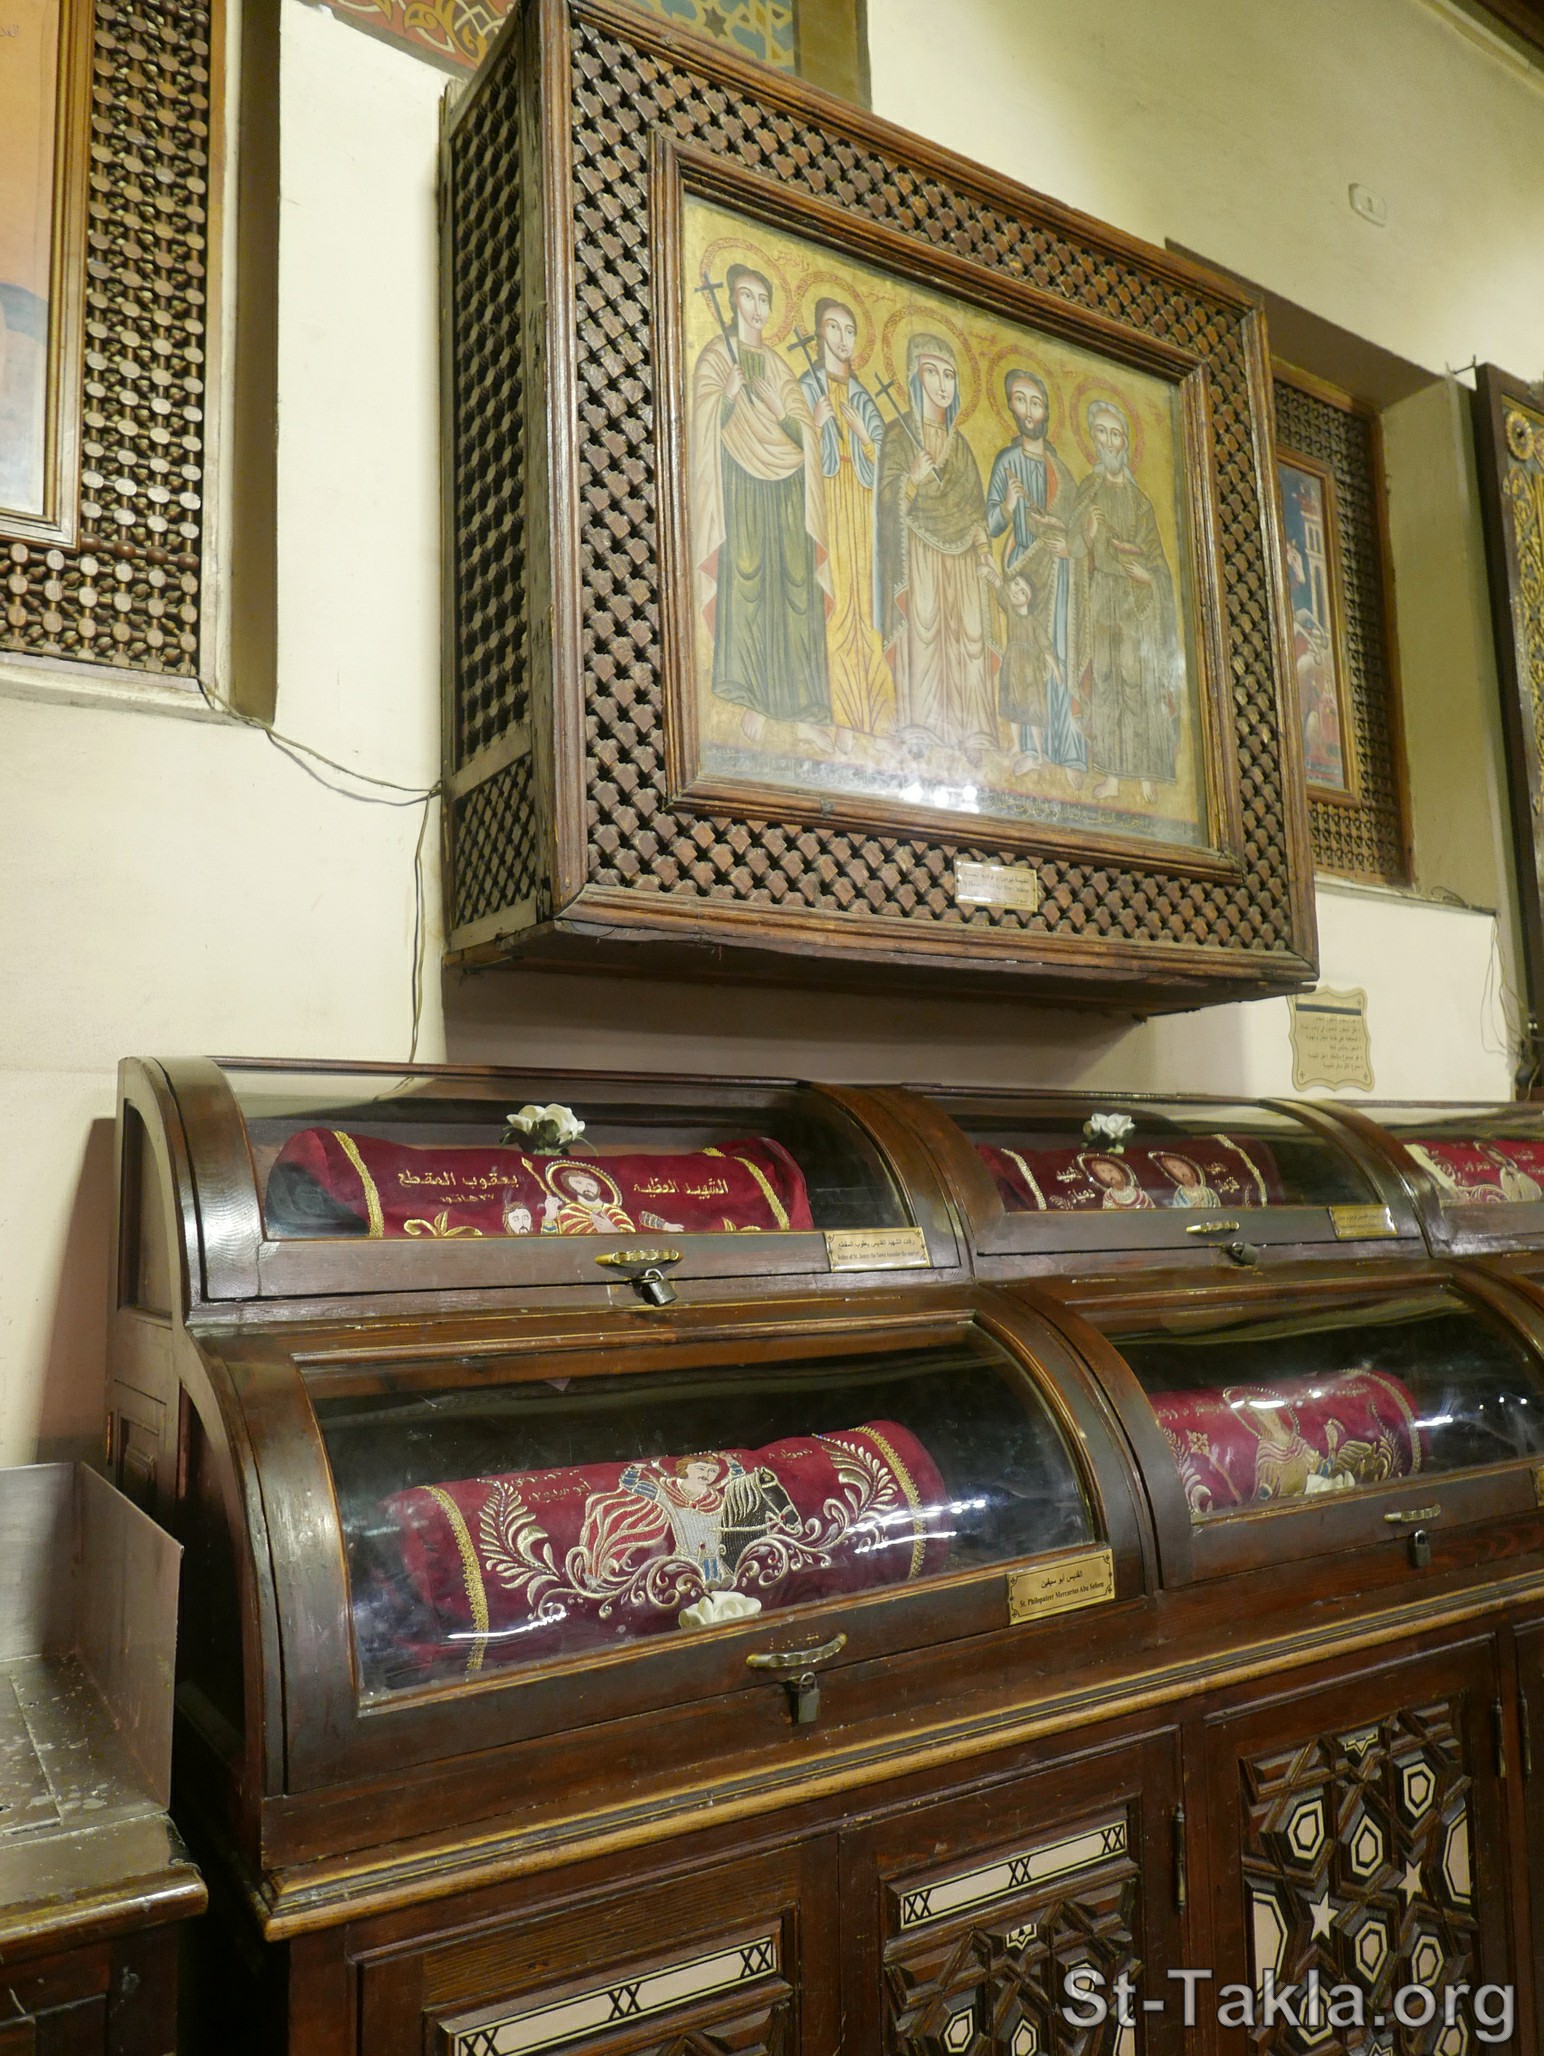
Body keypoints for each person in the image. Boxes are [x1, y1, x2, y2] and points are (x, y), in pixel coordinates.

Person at [690, 263, 831, 744]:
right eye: (747, 296)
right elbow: (703, 419)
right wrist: (728, 398)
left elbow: (803, 431)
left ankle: (804, 711)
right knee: (748, 581)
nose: (756, 307)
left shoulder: (778, 366)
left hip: (787, 491)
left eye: (763, 299)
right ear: (732, 300)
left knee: (795, 589)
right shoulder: (716, 357)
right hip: (741, 487)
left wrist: (781, 413)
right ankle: (753, 700)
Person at [873, 332, 999, 765]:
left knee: (969, 636)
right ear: (915, 378)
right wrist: (911, 478)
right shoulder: (898, 434)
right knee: (924, 630)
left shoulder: (961, 446)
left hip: (963, 558)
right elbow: (887, 499)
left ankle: (973, 732)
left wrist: (984, 551)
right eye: (932, 373)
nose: (942, 384)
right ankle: (920, 727)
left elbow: (976, 511)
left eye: (949, 375)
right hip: (918, 549)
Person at [1069, 400, 1181, 805]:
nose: (1108, 441)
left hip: (1136, 604)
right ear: (1092, 439)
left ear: (1126, 443)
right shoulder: (1089, 491)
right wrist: (1088, 530)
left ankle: (1147, 772)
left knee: (1139, 681)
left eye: (1115, 434)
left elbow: (1159, 565)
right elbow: (1072, 549)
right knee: (1106, 682)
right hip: (1102, 598)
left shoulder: (1140, 502)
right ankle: (1113, 775)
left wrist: (1148, 577)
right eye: (1100, 432)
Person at [798, 298, 893, 747]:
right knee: (832, 602)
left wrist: (861, 436)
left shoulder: (862, 398)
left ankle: (866, 717)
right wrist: (815, 427)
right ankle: (834, 714)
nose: (842, 338)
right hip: (825, 505)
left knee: (863, 608)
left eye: (849, 330)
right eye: (833, 327)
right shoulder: (807, 385)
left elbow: (884, 459)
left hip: (861, 508)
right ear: (820, 334)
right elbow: (789, 449)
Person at [985, 372, 1083, 779]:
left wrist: (1069, 547)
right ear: (1010, 406)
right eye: (1020, 400)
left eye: (1035, 402)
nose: (1028, 411)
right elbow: (990, 525)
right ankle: (1027, 749)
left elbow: (1078, 531)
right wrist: (1008, 506)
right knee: (1023, 661)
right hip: (1022, 569)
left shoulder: (1060, 469)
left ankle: (1062, 748)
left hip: (1057, 575)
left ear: (1046, 411)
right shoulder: (1006, 462)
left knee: (1055, 654)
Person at [540, 1161, 637, 1234]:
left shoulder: (614, 1212)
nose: (586, 1187)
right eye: (578, 1183)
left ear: (598, 1186)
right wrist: (549, 1218)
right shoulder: (568, 1213)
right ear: (571, 1188)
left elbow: (632, 1243)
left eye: (590, 1184)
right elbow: (552, 1247)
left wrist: (612, 1230)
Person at [1152, 1150, 1222, 1208]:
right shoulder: (1180, 1195)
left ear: (1190, 1168)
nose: (1180, 1171)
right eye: (1174, 1168)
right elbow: (1178, 1214)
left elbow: (1217, 1212)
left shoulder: (1209, 1193)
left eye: (1181, 1167)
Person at [1082, 1153, 1154, 1209]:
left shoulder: (1139, 1194)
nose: (1109, 1175)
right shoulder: (1109, 1196)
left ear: (1119, 1171)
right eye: (1103, 1172)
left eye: (1111, 1170)